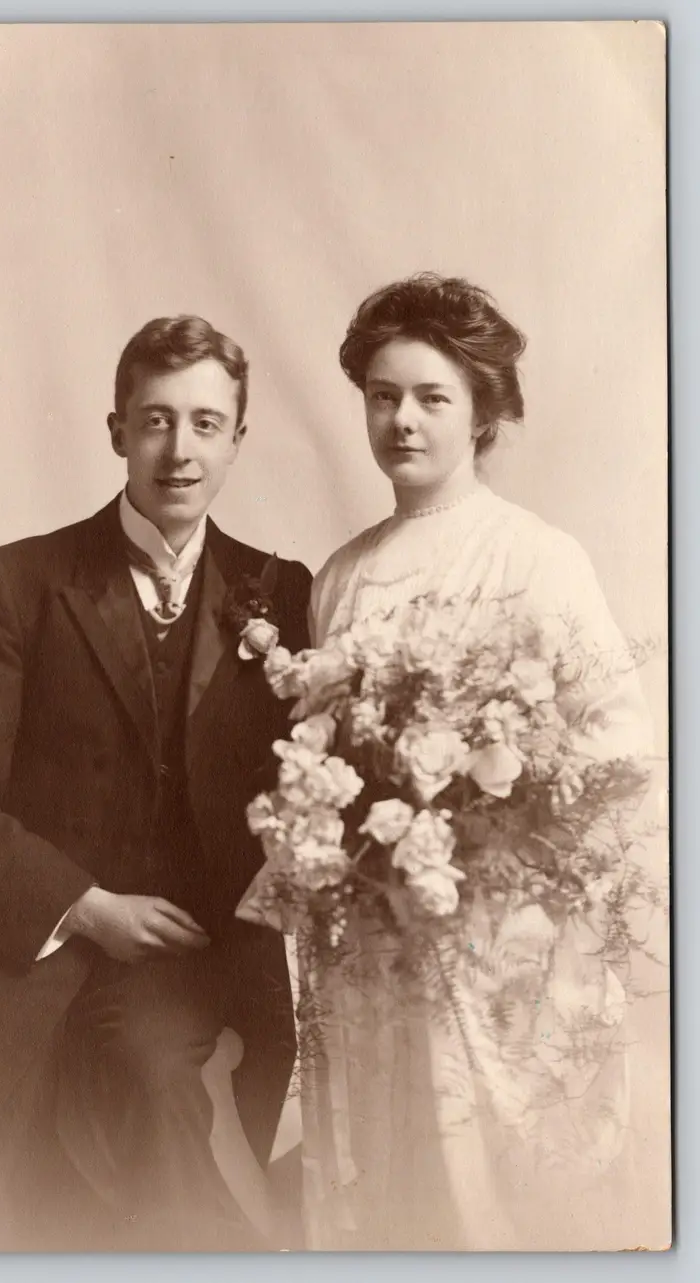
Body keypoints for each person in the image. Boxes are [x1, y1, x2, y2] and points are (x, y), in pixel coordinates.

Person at [0, 315, 312, 1251]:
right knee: (8, 1206)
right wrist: (82, 905)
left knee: (166, 1091)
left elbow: (308, 794)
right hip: (29, 953)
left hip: (195, 958)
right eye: (156, 419)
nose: (180, 449)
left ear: (239, 441)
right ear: (117, 428)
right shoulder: (23, 584)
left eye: (207, 423)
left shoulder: (280, 595)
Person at [301, 273, 652, 1250]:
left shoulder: (536, 557)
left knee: (493, 1194)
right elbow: (323, 752)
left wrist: (495, 843)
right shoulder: (341, 574)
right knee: (395, 1176)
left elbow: (616, 747)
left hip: (503, 945)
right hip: (375, 940)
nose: (401, 419)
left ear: (482, 409)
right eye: (382, 395)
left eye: (430, 397)